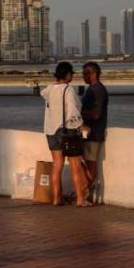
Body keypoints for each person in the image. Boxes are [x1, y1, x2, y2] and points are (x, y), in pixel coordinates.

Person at [41, 62, 92, 207]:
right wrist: (82, 125)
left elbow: (43, 94)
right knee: (76, 165)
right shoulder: (69, 90)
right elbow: (73, 111)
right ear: (68, 74)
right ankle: (81, 200)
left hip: (51, 131)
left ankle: (57, 199)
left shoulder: (49, 90)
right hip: (67, 131)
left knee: (57, 166)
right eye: (71, 74)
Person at [81, 62, 108, 202]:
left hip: (94, 133)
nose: (83, 76)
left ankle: (87, 193)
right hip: (88, 133)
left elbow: (96, 114)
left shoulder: (98, 90)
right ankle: (86, 190)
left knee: (90, 163)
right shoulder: (91, 89)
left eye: (85, 73)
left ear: (93, 73)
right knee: (82, 161)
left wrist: (79, 114)